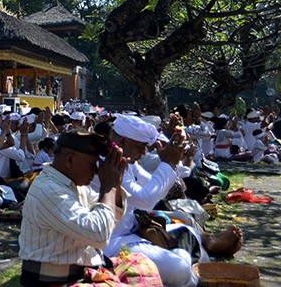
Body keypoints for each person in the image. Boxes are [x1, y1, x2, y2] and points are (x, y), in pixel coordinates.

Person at [103, 115, 243, 287]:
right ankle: (196, 268)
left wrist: (171, 163)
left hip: (133, 232)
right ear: (122, 142)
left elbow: (159, 192)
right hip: (113, 243)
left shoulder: (128, 161)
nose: (143, 152)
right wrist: (168, 164)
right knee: (180, 267)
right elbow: (145, 201)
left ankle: (202, 256)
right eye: (140, 147)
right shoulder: (109, 164)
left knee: (189, 231)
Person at [19, 130, 127, 287]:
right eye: (92, 164)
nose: (96, 171)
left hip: (80, 274)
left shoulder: (74, 185)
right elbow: (100, 235)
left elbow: (109, 220)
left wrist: (115, 185)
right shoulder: (50, 190)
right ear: (70, 160)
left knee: (143, 265)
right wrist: (108, 186)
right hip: (56, 283)